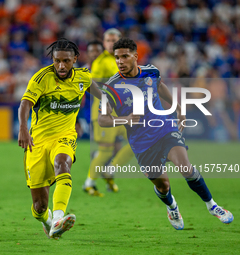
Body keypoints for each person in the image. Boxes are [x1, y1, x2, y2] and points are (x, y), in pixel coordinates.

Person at [98, 37, 233, 230]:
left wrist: (177, 107)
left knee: (186, 167)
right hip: (141, 143)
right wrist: (125, 120)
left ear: (135, 56)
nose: (120, 61)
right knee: (163, 186)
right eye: (117, 57)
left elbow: (159, 86)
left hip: (165, 129)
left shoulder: (151, 72)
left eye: (125, 56)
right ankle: (172, 206)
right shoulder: (110, 88)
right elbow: (103, 119)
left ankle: (212, 205)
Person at [18, 38, 103, 239]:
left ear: (75, 59)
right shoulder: (41, 78)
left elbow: (102, 94)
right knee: (39, 206)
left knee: (63, 162)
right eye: (57, 61)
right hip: (37, 143)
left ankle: (58, 218)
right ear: (52, 59)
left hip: (65, 136)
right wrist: (23, 127)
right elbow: (25, 104)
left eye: (66, 61)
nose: (61, 66)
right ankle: (48, 221)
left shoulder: (83, 77)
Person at [83, 28, 134, 196]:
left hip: (122, 112)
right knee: (105, 150)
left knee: (137, 142)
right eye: (108, 40)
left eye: (114, 40)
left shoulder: (124, 60)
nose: (111, 43)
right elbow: (94, 85)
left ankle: (110, 170)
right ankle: (89, 183)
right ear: (103, 43)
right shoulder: (101, 62)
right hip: (104, 112)